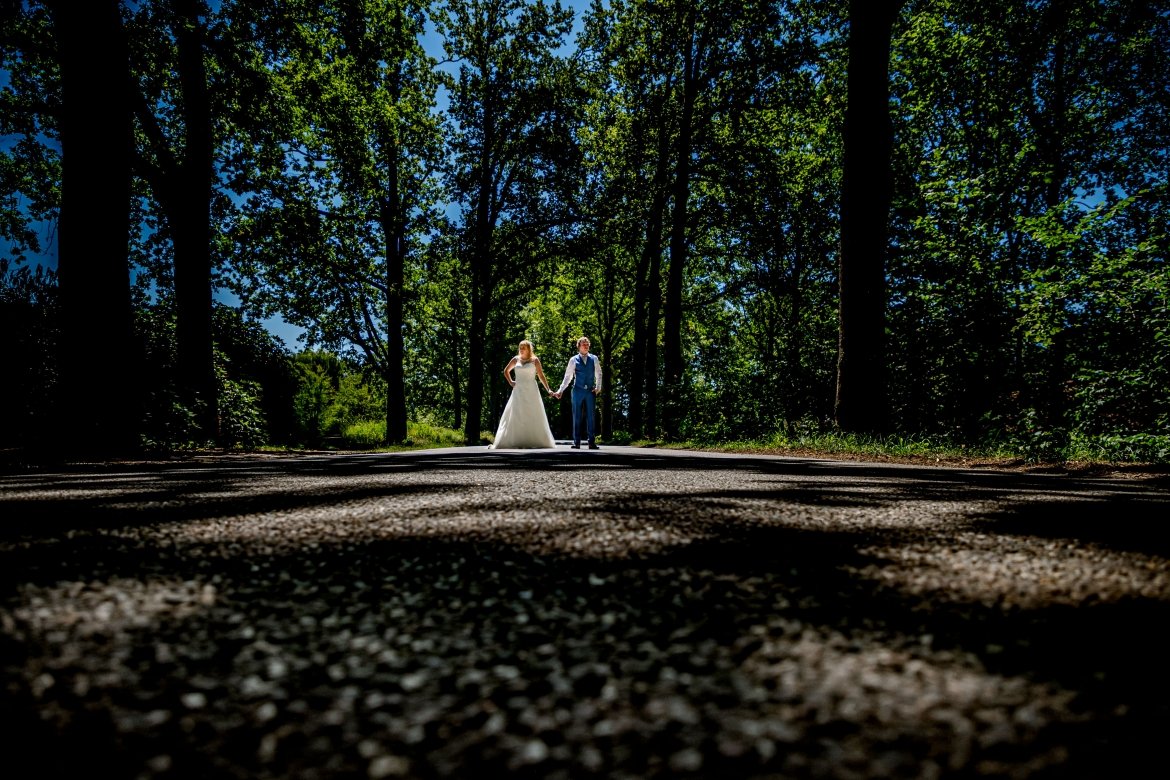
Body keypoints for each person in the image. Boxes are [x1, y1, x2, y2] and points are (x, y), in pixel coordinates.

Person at [489, 339, 557, 449]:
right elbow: (506, 371)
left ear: (528, 349)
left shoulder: (535, 360)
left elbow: (540, 375)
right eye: (520, 348)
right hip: (518, 390)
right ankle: (515, 440)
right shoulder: (516, 359)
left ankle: (534, 440)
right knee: (516, 413)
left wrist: (548, 389)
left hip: (531, 390)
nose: (521, 350)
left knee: (533, 413)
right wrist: (511, 381)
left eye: (523, 348)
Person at [553, 336, 602, 449]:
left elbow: (599, 373)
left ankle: (591, 442)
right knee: (577, 416)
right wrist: (560, 390)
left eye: (587, 344)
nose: (586, 346)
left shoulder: (594, 358)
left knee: (591, 417)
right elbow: (567, 377)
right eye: (584, 344)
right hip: (577, 390)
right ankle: (576, 442)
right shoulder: (573, 359)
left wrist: (598, 388)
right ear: (579, 346)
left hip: (590, 391)